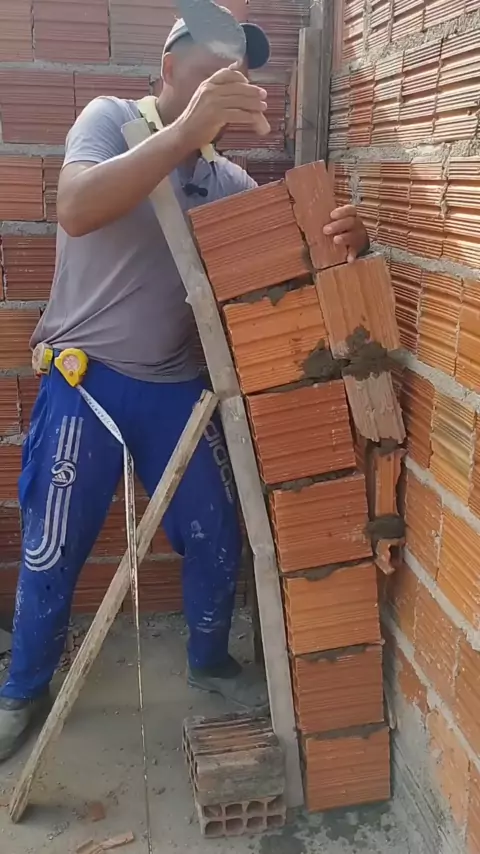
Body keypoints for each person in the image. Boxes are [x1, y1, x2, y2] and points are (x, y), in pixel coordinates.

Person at [0, 17, 370, 761]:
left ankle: (208, 659)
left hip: (178, 390)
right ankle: (23, 689)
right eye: (212, 69)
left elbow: (293, 261)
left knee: (214, 532)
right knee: (52, 544)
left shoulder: (223, 181)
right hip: (86, 380)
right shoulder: (108, 121)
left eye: (239, 72)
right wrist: (182, 134)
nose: (229, 83)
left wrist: (346, 243)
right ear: (170, 68)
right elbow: (75, 207)